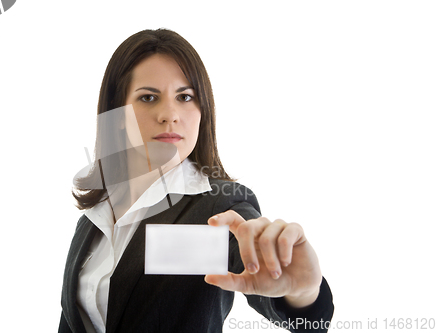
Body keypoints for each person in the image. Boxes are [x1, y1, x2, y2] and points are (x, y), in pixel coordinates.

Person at [59, 28, 334, 333]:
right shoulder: (93, 219)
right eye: (148, 97)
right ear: (118, 115)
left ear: (203, 111)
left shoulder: (217, 208)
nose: (169, 114)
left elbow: (247, 260)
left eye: (185, 97)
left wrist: (303, 293)